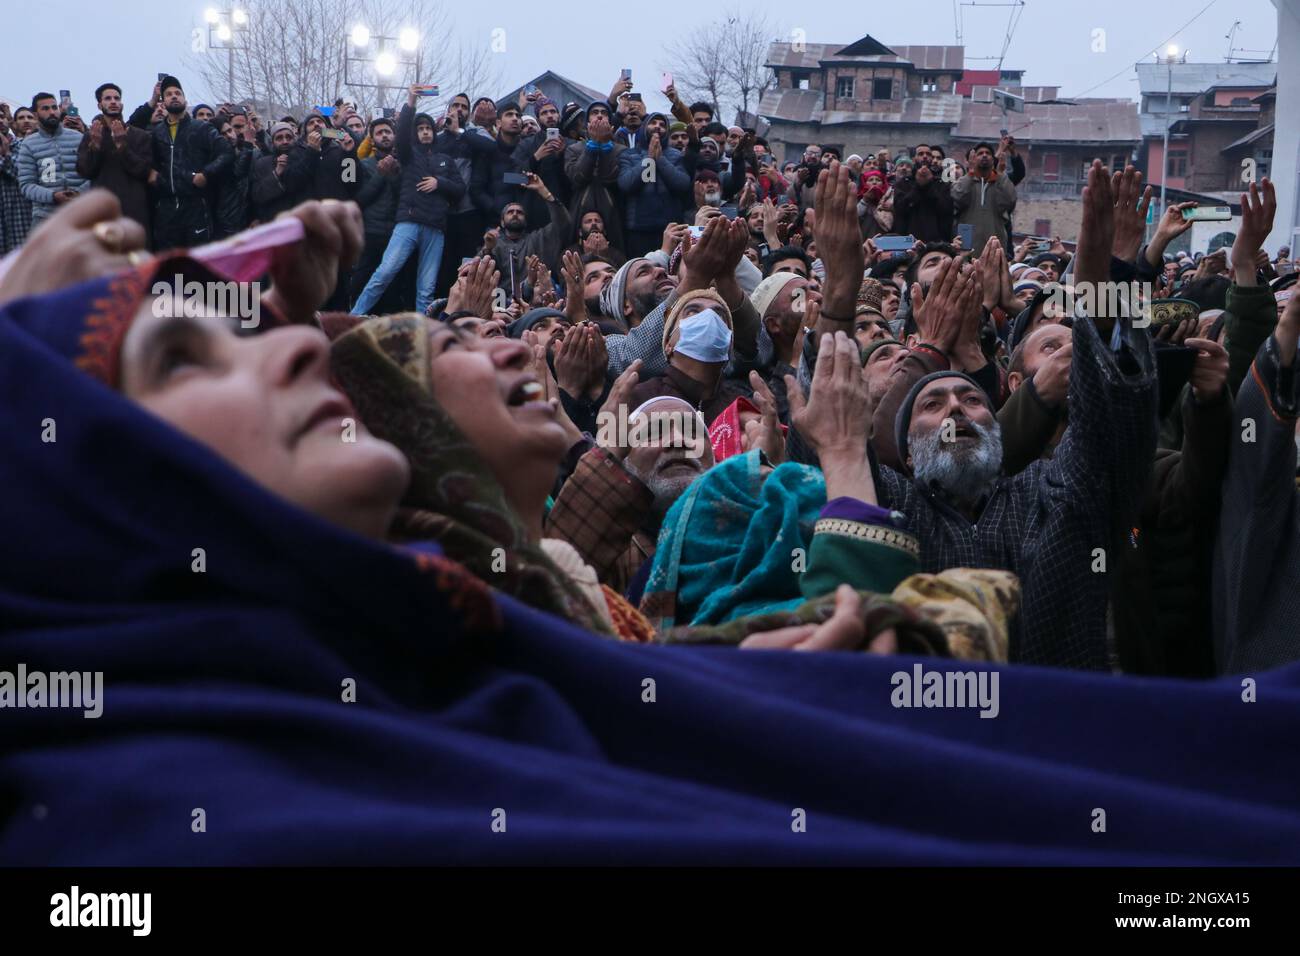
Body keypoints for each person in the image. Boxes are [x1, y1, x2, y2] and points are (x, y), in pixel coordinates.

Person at [1, 194, 1298, 866]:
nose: (291, 347)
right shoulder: (172, 816)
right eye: (183, 362)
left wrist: (713, 686)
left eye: (977, 393)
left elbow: (1120, 485)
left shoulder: (435, 652)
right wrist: (837, 471)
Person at [351, 86, 466, 316]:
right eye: (420, 129)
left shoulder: (445, 160)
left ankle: (425, 334)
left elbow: (460, 189)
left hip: (435, 228)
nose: (425, 132)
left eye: (428, 128)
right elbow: (402, 132)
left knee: (426, 287)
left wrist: (438, 183)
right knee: (384, 273)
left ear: (434, 132)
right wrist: (411, 101)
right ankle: (354, 316)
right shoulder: (408, 154)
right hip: (408, 222)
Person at [141, 76, 232, 249]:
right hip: (166, 208)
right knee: (170, 268)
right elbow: (141, 149)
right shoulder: (156, 133)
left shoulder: (201, 128)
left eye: (177, 93)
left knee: (196, 266)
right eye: (168, 94)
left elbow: (226, 152)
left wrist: (206, 174)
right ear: (163, 102)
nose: (174, 96)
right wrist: (151, 173)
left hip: (195, 206)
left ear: (185, 99)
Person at [75, 83, 152, 246]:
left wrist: (122, 146)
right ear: (99, 104)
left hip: (134, 209)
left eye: (117, 98)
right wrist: (94, 148)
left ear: (122, 104)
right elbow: (84, 170)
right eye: (108, 98)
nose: (113, 102)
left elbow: (144, 171)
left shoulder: (139, 135)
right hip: (104, 211)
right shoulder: (92, 135)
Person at [15, 92, 90, 230]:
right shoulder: (28, 144)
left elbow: (93, 174)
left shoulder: (78, 138)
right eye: (45, 109)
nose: (52, 112)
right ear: (36, 115)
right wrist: (53, 196)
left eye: (54, 107)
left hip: (81, 212)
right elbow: (26, 185)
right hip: (45, 217)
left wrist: (79, 192)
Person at [952, 142, 1016, 255]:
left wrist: (1000, 174)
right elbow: (957, 197)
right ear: (973, 159)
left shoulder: (1000, 182)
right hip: (966, 250)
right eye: (980, 153)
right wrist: (971, 173)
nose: (984, 155)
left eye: (988, 153)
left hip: (995, 250)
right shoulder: (965, 181)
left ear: (993, 159)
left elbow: (1010, 200)